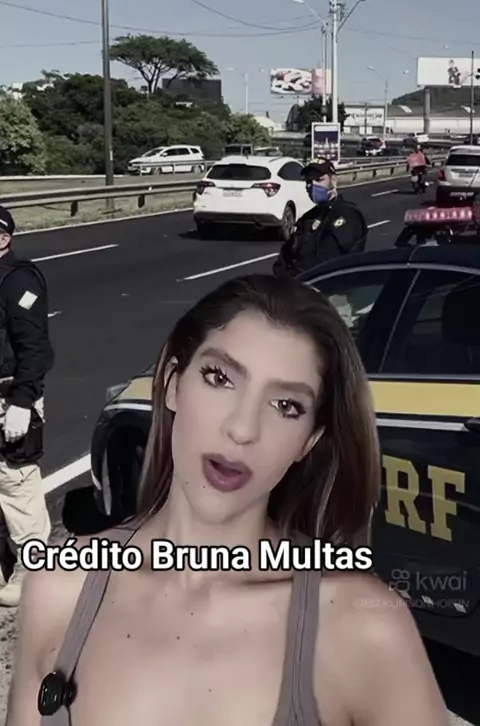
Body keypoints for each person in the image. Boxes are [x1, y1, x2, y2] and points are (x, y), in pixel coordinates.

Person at [8, 274, 448, 725]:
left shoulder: (361, 629)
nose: (242, 429)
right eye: (219, 378)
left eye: (287, 406)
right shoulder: (60, 587)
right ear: (173, 383)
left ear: (309, 440)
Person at [0, 206, 54, 608]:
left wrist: (23, 401)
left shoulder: (18, 280)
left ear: (3, 239)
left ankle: (32, 568)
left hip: (8, 396)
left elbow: (35, 349)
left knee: (16, 482)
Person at [273, 158, 368, 276]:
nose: (313, 185)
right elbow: (284, 258)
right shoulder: (308, 218)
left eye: (319, 179)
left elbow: (327, 261)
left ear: (333, 180)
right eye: (309, 181)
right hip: (298, 283)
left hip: (331, 284)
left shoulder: (347, 215)